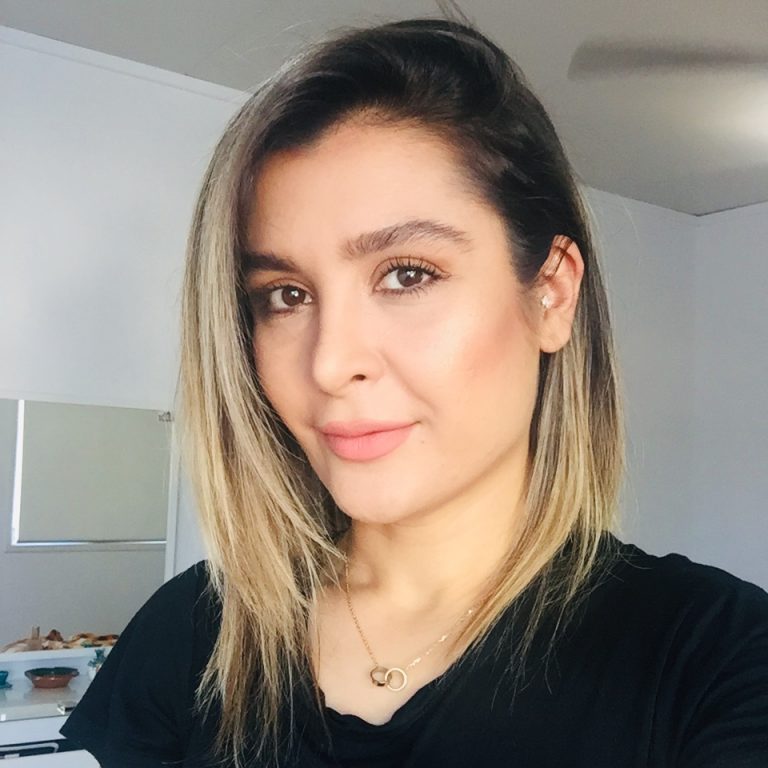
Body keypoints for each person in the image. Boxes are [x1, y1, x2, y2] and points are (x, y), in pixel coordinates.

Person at [60, 13, 768, 768]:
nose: (330, 363)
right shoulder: (193, 631)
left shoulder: (718, 658)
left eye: (407, 275)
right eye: (286, 295)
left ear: (550, 295)